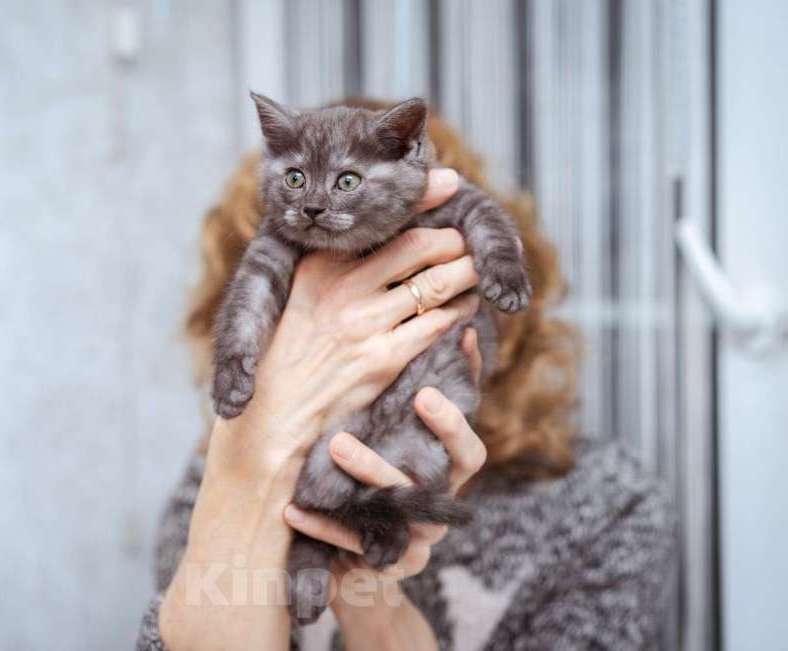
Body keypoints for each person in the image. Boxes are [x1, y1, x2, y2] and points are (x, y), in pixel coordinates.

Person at [137, 101, 675, 650]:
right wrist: (251, 466)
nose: (356, 335)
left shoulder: (604, 506)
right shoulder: (213, 486)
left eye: (405, 282)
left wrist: (370, 598)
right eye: (320, 308)